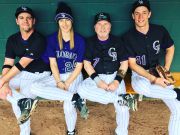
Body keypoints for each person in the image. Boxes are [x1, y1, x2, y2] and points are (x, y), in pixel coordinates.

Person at [18, 2, 88, 135]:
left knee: (68, 106)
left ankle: (71, 131)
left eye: (67, 19)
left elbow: (79, 66)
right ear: (58, 22)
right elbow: (53, 64)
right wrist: (58, 82)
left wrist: (67, 83)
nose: (64, 23)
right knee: (34, 87)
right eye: (61, 20)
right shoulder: (51, 39)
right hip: (58, 75)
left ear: (72, 21)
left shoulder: (79, 40)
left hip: (74, 76)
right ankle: (75, 98)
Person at [122, 0, 180, 135]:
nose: (140, 17)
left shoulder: (159, 30)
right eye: (137, 14)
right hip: (140, 74)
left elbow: (170, 48)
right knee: (141, 87)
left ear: (149, 14)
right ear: (132, 16)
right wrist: (154, 79)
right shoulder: (127, 37)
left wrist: (165, 69)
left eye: (144, 13)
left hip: (158, 71)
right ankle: (175, 93)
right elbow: (132, 64)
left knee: (178, 108)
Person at [77, 12, 136, 135]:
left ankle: (121, 132)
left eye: (106, 24)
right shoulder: (89, 42)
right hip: (98, 77)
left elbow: (124, 63)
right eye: (99, 24)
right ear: (94, 27)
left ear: (110, 27)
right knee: (81, 89)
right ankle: (120, 99)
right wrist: (98, 82)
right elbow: (87, 64)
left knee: (123, 110)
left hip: (116, 76)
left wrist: (117, 81)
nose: (103, 27)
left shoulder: (117, 41)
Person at [0, 6, 51, 135]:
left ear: (33, 21)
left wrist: (3, 80)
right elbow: (8, 63)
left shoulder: (39, 39)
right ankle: (22, 101)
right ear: (17, 21)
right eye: (21, 18)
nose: (25, 21)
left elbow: (22, 64)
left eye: (28, 18)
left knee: (19, 107)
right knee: (18, 100)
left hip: (39, 75)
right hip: (22, 73)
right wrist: (5, 83)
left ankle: (25, 133)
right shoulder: (12, 39)